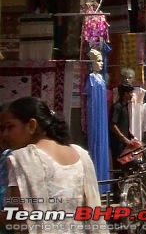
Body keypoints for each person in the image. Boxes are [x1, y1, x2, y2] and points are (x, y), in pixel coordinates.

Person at [1, 97, 107, 232]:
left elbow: (18, 220)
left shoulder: (22, 159)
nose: (5, 134)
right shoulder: (81, 154)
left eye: (10, 127)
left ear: (31, 125)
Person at [109, 83, 136, 169]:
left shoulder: (125, 106)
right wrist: (124, 139)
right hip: (118, 143)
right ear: (125, 94)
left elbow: (123, 124)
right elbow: (113, 125)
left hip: (125, 143)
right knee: (118, 167)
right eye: (131, 93)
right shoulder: (117, 106)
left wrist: (130, 134)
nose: (132, 95)